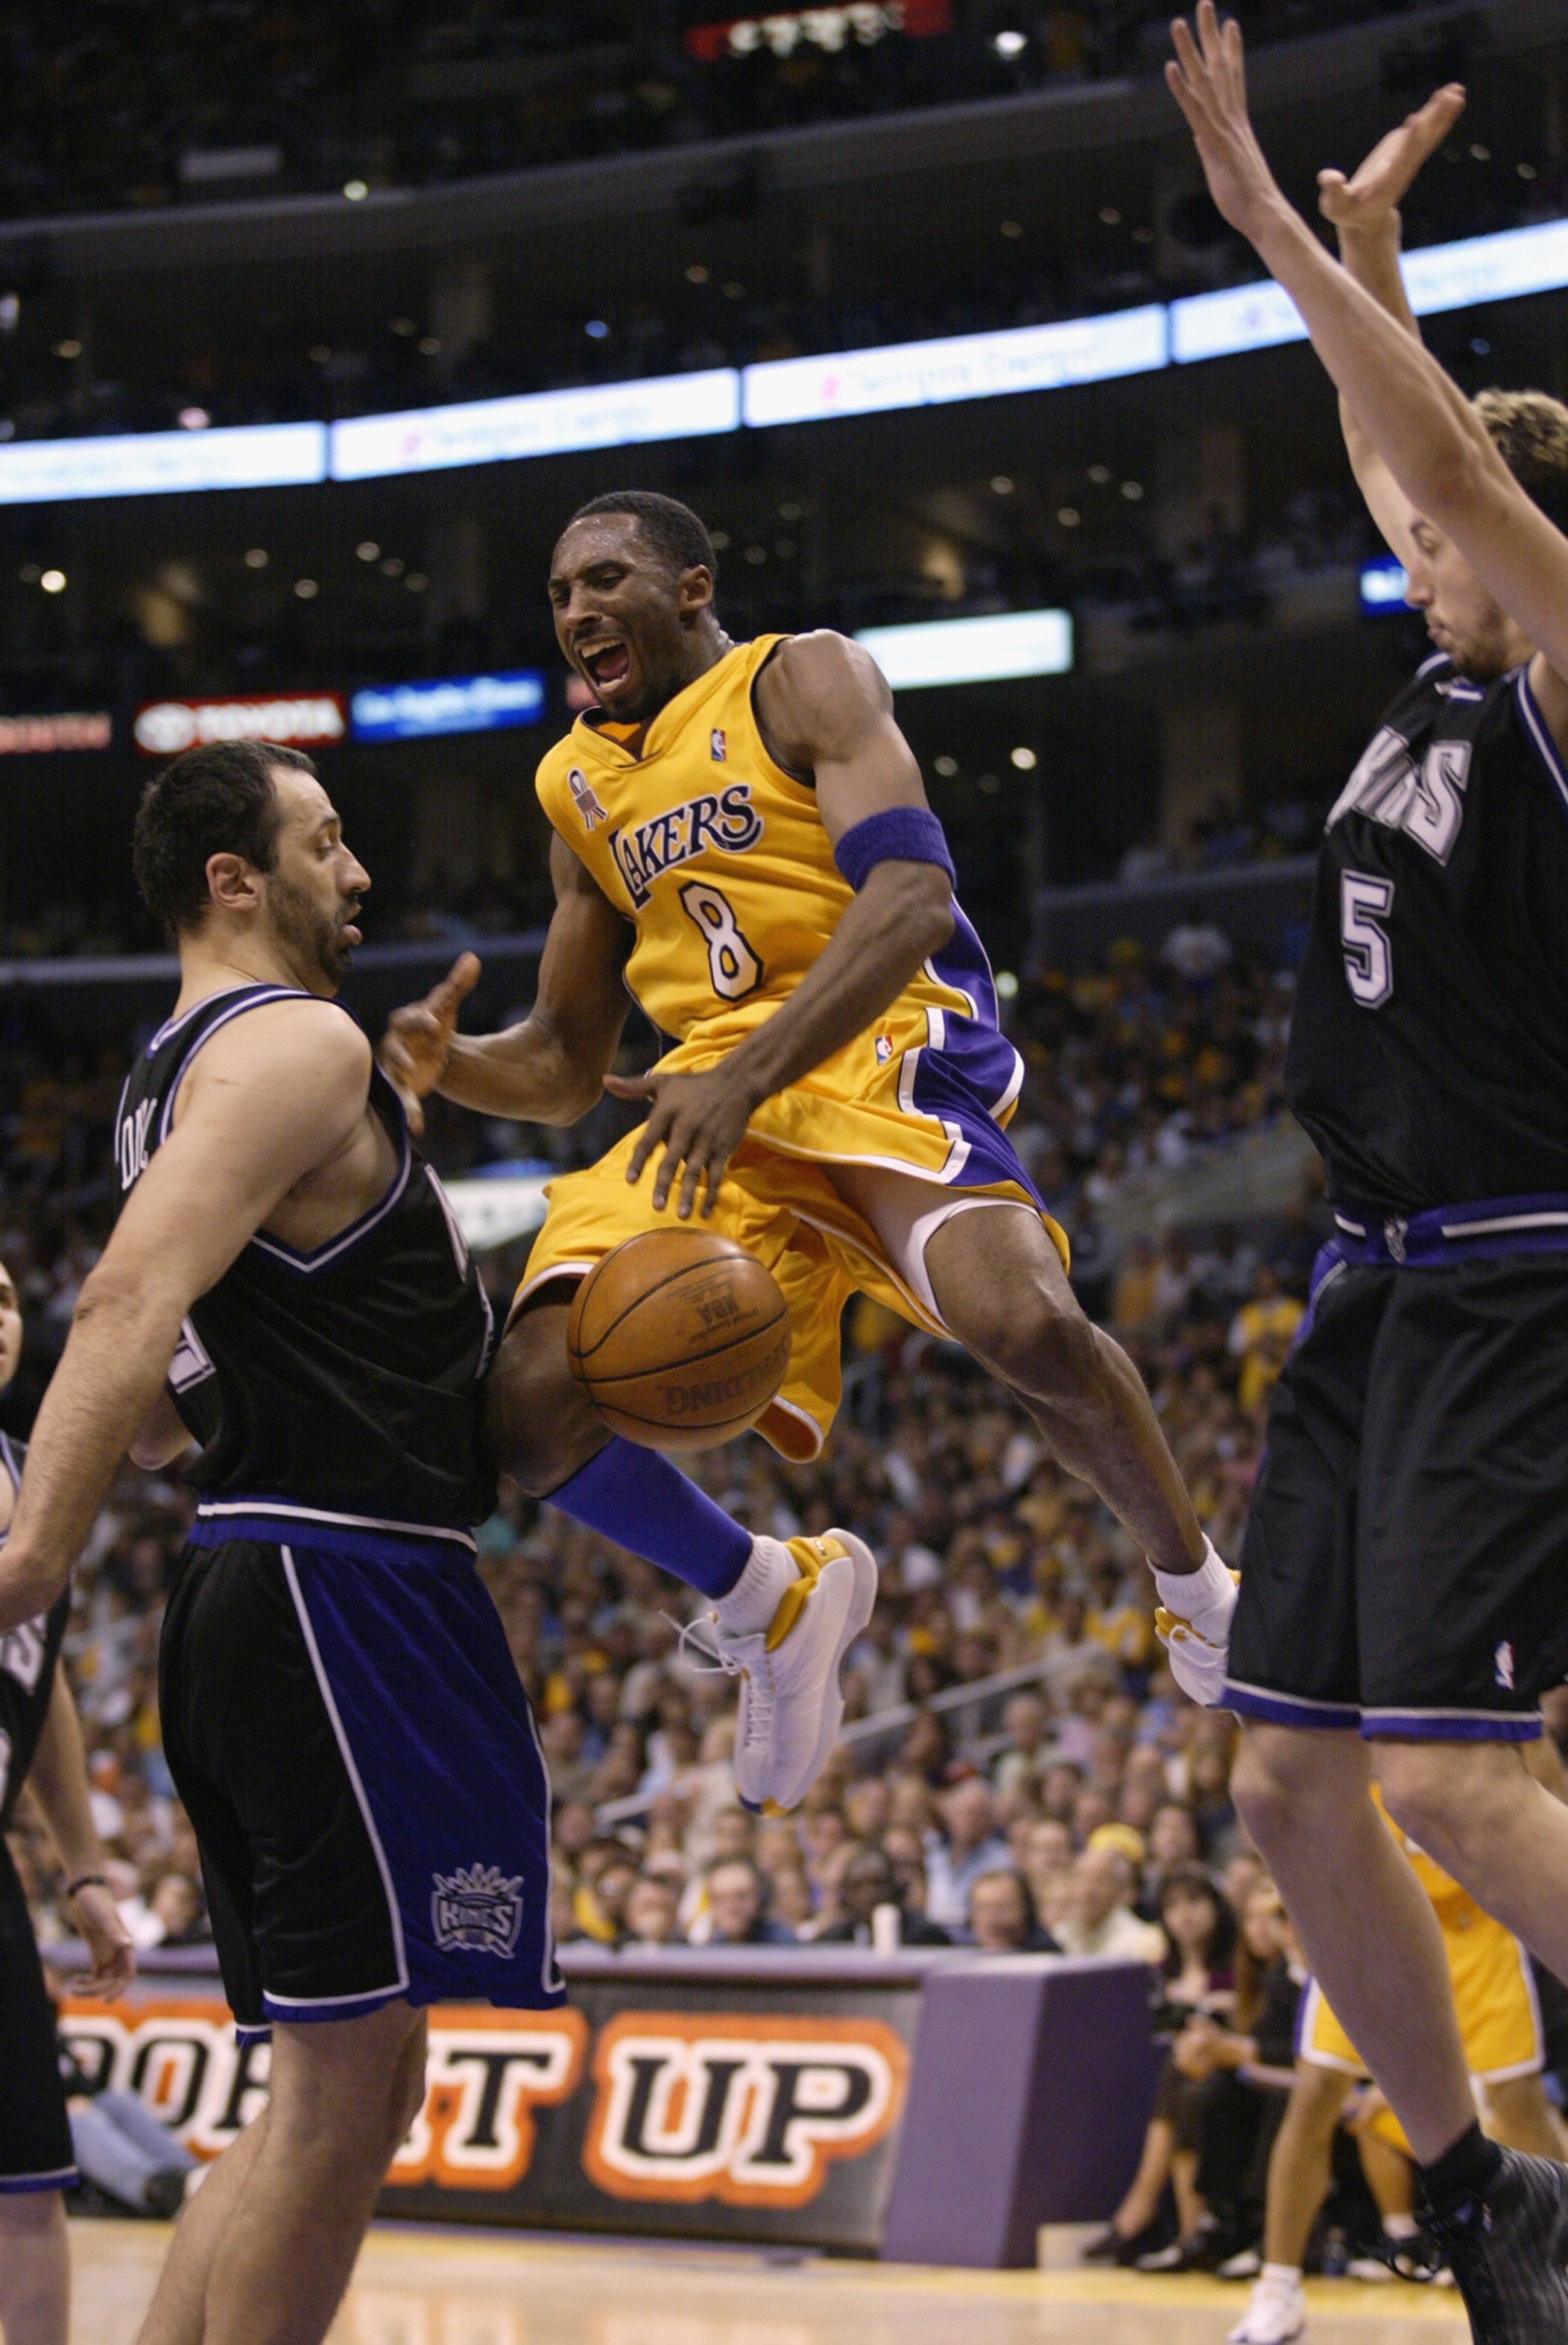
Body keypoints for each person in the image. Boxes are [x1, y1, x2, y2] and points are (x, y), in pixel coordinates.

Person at [382, 488, 1218, 1815]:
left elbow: (910, 899)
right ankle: (769, 1596)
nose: (577, 610)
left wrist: (749, 1071)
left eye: (604, 579)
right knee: (530, 1408)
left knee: (1028, 1327)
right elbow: (557, 1059)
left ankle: (1195, 1591)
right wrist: (443, 1064)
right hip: (711, 1096)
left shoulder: (802, 678)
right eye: (557, 594)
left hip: (873, 1034)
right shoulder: (573, 782)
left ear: (691, 588)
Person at [1164, 16, 1568, 2324]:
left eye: (1442, 521)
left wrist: (1276, 244)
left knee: (1445, 1770)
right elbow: (1387, 430)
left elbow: (1422, 441)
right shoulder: (1428, 669)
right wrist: (1362, 256)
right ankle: (1469, 2199)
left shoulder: (1542, 668)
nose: (1398, 533)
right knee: (1286, 1789)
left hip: (1520, 1257)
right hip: (1365, 1267)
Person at [0, 742, 554, 2345]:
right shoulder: (294, 1042)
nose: (358, 872)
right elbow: (121, 1304)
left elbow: (174, 1412)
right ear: (232, 880)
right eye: (324, 842)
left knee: (352, 2079)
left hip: (286, 1576)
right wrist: (29, 1566)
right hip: (337, 1586)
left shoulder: (165, 1078)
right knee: (340, 2089)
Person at [1231, 1787, 1564, 2343]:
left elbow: (1542, 1785)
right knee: (1316, 2091)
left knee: (1518, 2105)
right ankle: (1278, 2286)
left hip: (1472, 1928)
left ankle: (1560, 2267)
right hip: (1366, 1921)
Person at [0, 1257, 136, 2345]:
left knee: (27, 2178)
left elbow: (41, 1694)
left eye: (2, 1299)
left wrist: (82, 1867)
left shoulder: (31, 1479)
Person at [810, 1842, 952, 1948]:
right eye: (858, 1886)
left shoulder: (926, 1936)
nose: (869, 1894)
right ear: (845, 1895)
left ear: (895, 1888)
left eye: (878, 1884)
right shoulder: (833, 1941)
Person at [1052, 1847, 1165, 1963]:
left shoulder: (1139, 1942)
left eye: (1099, 1881)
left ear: (1118, 1889)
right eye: (1081, 1880)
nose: (1087, 1891)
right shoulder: (1061, 1935)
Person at [965, 1866, 1056, 1954]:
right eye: (982, 1909)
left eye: (1002, 1908)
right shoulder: (960, 1954)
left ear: (1026, 1910)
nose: (992, 1920)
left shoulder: (1053, 1955)